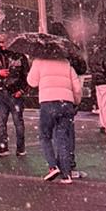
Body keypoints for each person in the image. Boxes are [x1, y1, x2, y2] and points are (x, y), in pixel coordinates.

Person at [27, 49, 83, 182]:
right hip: (66, 103)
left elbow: (32, 82)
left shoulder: (39, 61)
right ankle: (66, 174)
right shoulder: (66, 63)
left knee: (45, 136)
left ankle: (53, 166)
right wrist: (75, 102)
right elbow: (77, 88)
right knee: (63, 138)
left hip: (48, 102)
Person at [0, 33, 27, 156]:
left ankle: (20, 148)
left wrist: (22, 90)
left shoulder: (20, 57)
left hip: (15, 93)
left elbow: (27, 76)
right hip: (0, 93)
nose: (1, 44)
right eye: (0, 42)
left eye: (4, 42)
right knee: (1, 123)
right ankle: (3, 147)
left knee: (18, 123)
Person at [89, 33, 106, 135]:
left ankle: (103, 124)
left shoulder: (95, 53)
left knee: (102, 105)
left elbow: (91, 66)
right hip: (105, 80)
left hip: (97, 81)